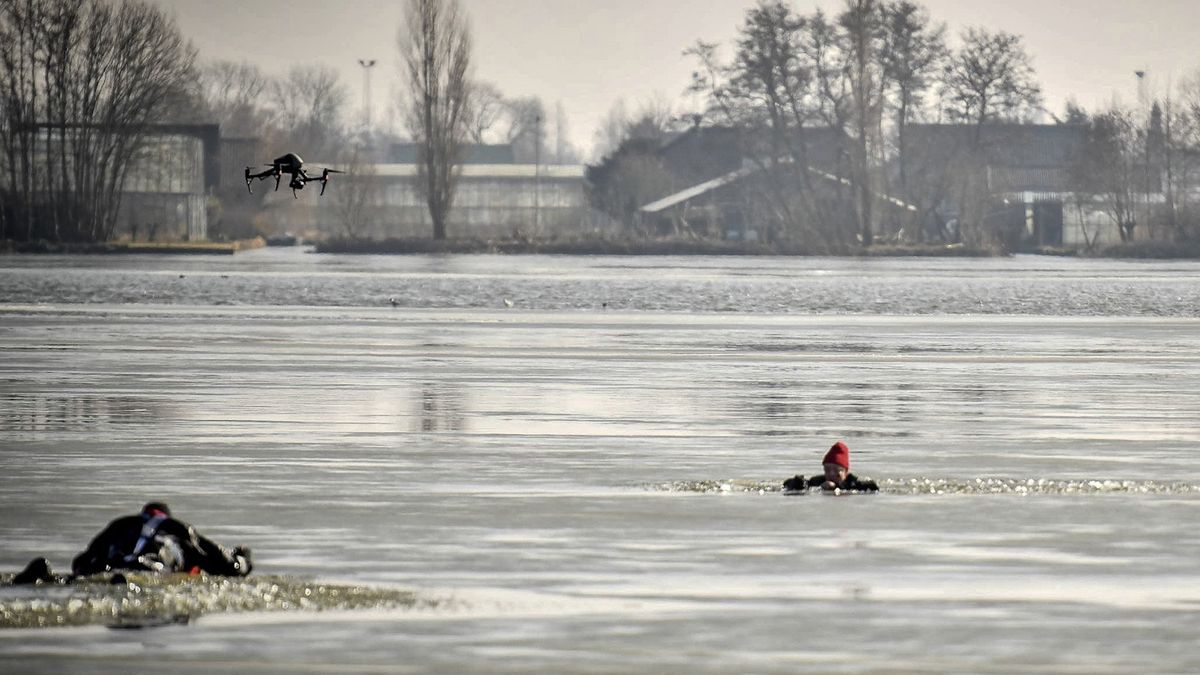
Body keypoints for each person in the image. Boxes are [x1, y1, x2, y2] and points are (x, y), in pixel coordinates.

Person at [12, 502, 252, 584]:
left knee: (84, 576)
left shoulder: (120, 525)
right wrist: (242, 557)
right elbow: (229, 568)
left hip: (109, 563)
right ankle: (122, 585)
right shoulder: (180, 530)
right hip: (151, 567)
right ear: (165, 515)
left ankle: (44, 574)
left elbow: (82, 561)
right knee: (142, 571)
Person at [783, 441, 879, 493]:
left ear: (846, 471)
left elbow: (874, 487)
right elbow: (787, 484)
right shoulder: (817, 481)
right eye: (827, 470)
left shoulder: (853, 483)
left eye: (837, 471)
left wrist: (837, 487)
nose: (831, 474)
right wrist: (800, 483)